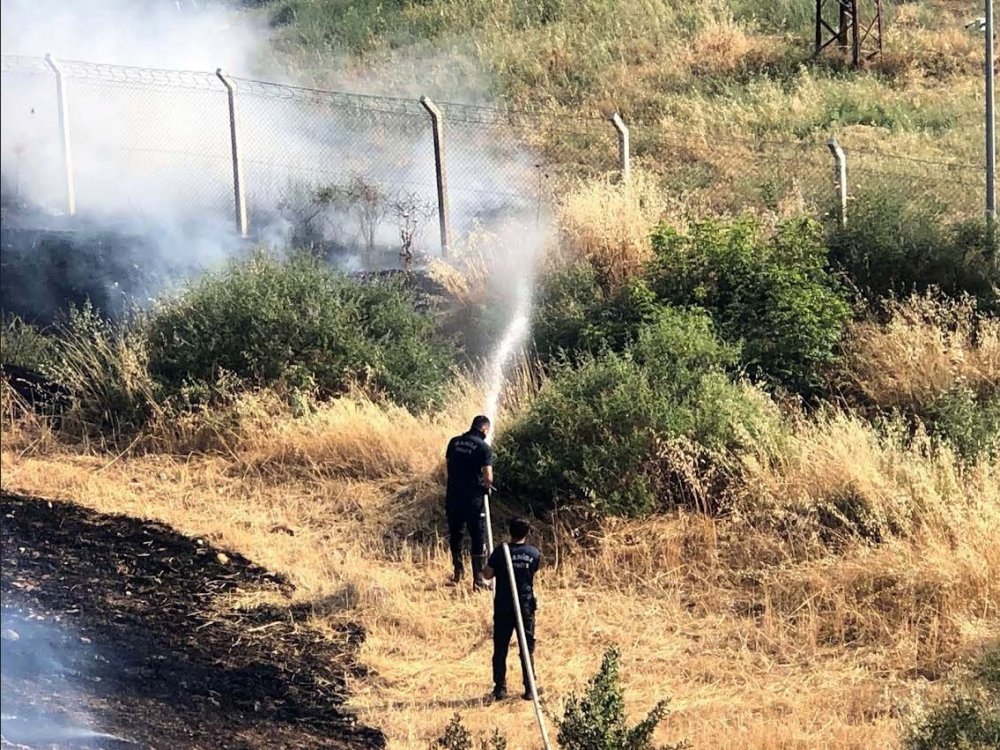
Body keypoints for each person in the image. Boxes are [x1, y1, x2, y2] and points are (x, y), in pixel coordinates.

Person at [482, 517, 542, 701]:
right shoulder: (533, 553)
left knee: (500, 647)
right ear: (527, 532)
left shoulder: (501, 552)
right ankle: (530, 688)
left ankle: (500, 689)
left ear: (510, 531)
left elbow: (487, 574)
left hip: (503, 605)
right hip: (525, 605)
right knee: (526, 647)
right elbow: (534, 571)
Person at [445, 415, 493, 590]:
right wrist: (487, 486)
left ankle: (458, 572)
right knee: (477, 536)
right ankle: (478, 579)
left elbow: (448, 465)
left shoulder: (454, 442)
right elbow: (488, 476)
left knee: (455, 533)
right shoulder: (484, 448)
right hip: (472, 499)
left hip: (453, 496)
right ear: (484, 430)